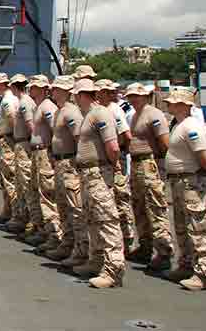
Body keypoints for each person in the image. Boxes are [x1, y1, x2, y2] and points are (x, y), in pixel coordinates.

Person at [73, 79, 125, 289]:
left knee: (106, 220)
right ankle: (96, 261)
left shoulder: (100, 113)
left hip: (98, 173)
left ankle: (114, 269)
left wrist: (113, 167)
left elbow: (113, 147)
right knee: (93, 219)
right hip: (88, 174)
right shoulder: (89, 115)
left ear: (80, 95)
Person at [163, 87, 206, 291]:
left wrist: (204, 172)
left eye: (173, 102)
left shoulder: (192, 126)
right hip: (179, 182)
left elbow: (203, 157)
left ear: (184, 105)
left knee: (199, 228)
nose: (169, 104)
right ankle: (186, 265)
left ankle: (205, 274)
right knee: (182, 227)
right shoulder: (179, 124)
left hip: (191, 182)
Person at [123, 82, 173, 271]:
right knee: (139, 207)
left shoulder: (154, 114)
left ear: (145, 96)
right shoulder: (135, 115)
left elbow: (165, 143)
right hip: (136, 163)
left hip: (149, 162)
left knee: (155, 208)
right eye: (131, 96)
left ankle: (164, 251)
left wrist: (160, 165)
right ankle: (145, 247)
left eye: (137, 95)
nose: (133, 98)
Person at [46, 76, 89, 266]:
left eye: (55, 89)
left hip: (70, 163)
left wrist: (77, 163)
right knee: (63, 207)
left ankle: (81, 250)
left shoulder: (71, 112)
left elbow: (79, 139)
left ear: (64, 91)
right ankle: (68, 244)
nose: (52, 92)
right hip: (59, 163)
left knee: (75, 208)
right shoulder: (60, 111)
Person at [96, 79, 136, 254]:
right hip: (108, 159)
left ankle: (127, 240)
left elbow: (126, 136)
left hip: (115, 159)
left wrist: (117, 152)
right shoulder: (102, 110)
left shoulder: (113, 110)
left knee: (120, 199)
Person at [28, 75, 61, 251]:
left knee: (47, 195)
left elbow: (55, 129)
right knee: (37, 191)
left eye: (33, 86)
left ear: (42, 89)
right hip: (36, 153)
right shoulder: (39, 106)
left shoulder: (47, 107)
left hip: (44, 153)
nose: (30, 89)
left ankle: (55, 235)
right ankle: (42, 231)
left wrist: (52, 152)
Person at [6, 74, 37, 234]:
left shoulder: (24, 103)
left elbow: (31, 126)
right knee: (20, 183)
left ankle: (33, 221)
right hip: (21, 144)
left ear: (14, 86)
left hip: (24, 145)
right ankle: (23, 217)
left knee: (26, 184)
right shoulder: (22, 102)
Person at [0, 73, 17, 222]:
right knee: (5, 177)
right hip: (5, 139)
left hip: (7, 140)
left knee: (9, 178)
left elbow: (12, 119)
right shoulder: (5, 98)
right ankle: (8, 210)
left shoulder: (7, 100)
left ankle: (14, 213)